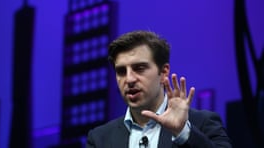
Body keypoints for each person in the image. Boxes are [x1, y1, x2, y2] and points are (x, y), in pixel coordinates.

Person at [86, 30, 232, 148]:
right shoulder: (99, 139)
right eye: (121, 71)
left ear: (163, 72)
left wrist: (182, 132)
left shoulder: (202, 123)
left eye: (139, 68)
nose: (129, 79)